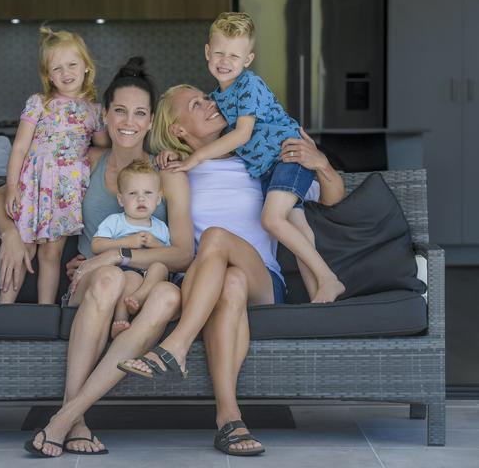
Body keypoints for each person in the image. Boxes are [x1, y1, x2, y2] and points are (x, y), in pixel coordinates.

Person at [119, 84, 345, 455]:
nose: (211, 103)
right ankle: (229, 419)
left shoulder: (256, 157)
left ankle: (176, 344)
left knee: (217, 239)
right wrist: (104, 252)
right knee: (230, 279)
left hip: (264, 281)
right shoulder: (176, 171)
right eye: (197, 103)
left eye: (208, 97)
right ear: (177, 129)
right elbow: (137, 212)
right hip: (200, 282)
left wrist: (320, 162)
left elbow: (333, 199)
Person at [0, 57, 195, 457]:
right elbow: (1, 194)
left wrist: (113, 256)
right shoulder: (84, 162)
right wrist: (12, 232)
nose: (128, 121)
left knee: (167, 295)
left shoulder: (167, 172)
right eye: (119, 110)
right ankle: (77, 421)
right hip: (91, 285)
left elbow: (184, 253)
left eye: (139, 113)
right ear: (104, 114)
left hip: (146, 289)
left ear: (151, 120)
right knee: (106, 279)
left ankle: (65, 419)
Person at [162, 12, 344, 303]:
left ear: (247, 60)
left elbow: (243, 135)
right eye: (219, 53)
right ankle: (318, 300)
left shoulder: (248, 86)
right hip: (270, 171)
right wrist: (175, 154)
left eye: (234, 56)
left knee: (273, 219)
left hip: (287, 158)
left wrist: (321, 163)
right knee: (297, 227)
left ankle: (328, 278)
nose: (225, 61)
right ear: (207, 52)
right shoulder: (219, 99)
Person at [0, 26, 109, 305]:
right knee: (25, 249)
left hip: (66, 192)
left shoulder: (94, 111)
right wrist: (12, 187)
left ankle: (45, 314)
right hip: (34, 186)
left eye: (72, 64)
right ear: (48, 75)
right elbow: (20, 148)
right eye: (56, 68)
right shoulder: (39, 103)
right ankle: (3, 311)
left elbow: (103, 145)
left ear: (86, 66)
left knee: (52, 255)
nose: (66, 72)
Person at [91, 158, 171, 338]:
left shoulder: (160, 227)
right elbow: (96, 245)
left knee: (161, 268)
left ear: (158, 198)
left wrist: (155, 244)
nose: (141, 198)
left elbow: (168, 252)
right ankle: (120, 319)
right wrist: (127, 242)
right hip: (127, 270)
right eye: (133, 193)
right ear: (121, 199)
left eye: (148, 193)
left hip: (151, 276)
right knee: (131, 278)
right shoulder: (115, 221)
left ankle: (139, 297)